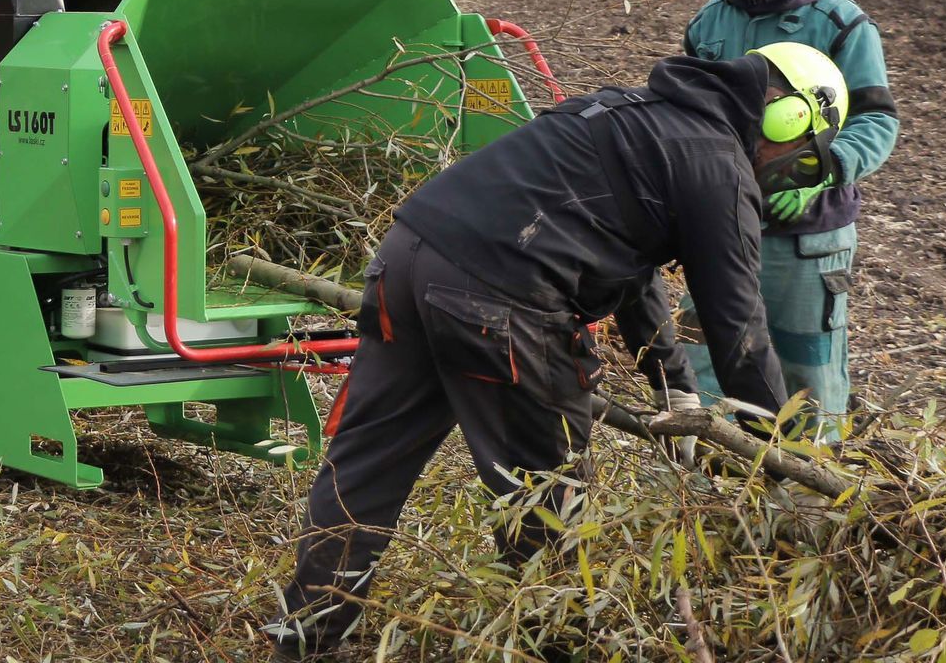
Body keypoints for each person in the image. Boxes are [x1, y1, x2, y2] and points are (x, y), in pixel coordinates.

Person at [264, 43, 848, 659]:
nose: (785, 169)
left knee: (367, 467)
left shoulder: (636, 111)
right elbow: (740, 330)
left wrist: (670, 380)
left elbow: (636, 267)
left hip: (405, 261)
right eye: (800, 156)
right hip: (498, 303)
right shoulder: (719, 163)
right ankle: (558, 645)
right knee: (547, 497)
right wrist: (783, 455)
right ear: (787, 113)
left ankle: (305, 641)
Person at [679, 0, 899, 439]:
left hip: (807, 237)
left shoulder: (839, 23)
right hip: (723, 229)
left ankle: (811, 502)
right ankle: (704, 498)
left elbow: (878, 120)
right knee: (704, 366)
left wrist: (822, 169)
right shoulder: (708, 25)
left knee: (808, 375)